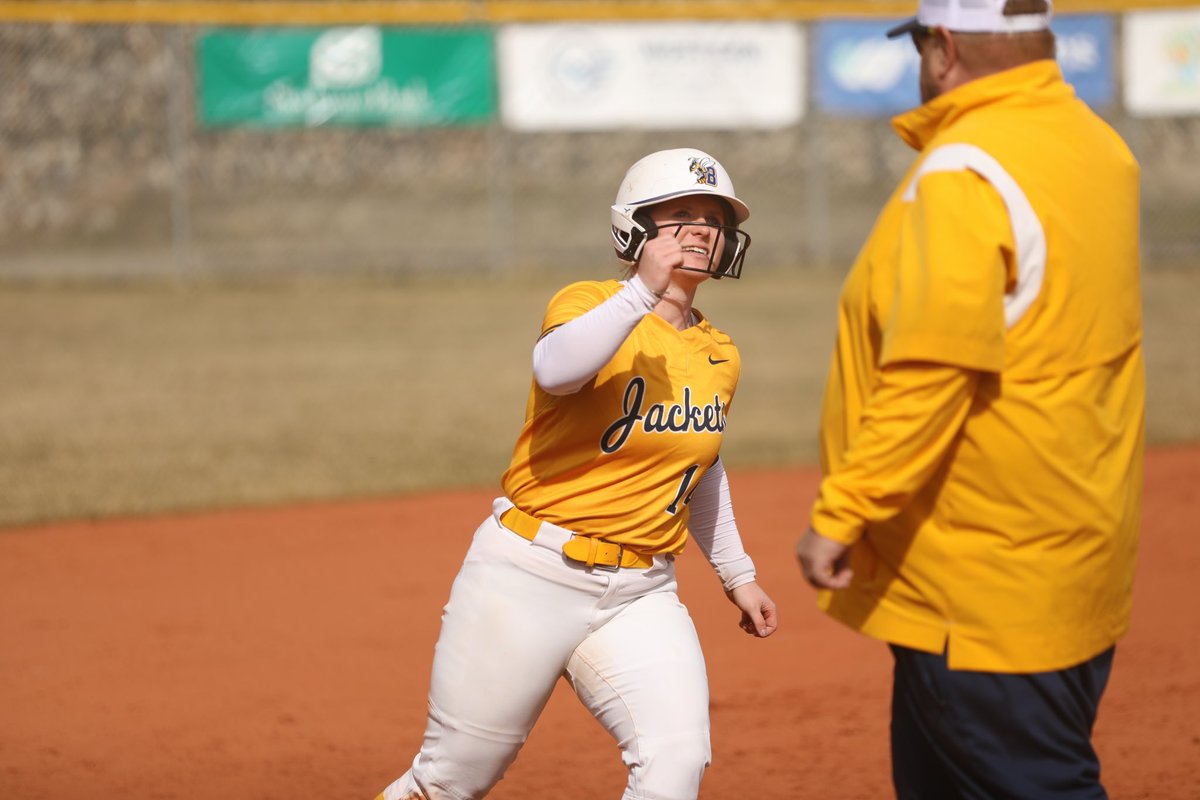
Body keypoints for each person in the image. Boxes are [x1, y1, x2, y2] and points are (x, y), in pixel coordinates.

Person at [794, 0, 1143, 797]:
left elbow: (932, 378)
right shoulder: (1098, 147)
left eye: (920, 43)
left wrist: (844, 510)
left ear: (944, 48)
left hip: (979, 586)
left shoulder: (966, 172)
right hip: (1074, 557)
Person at [376, 148, 778, 800]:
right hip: (527, 575)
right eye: (681, 214)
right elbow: (556, 369)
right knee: (448, 783)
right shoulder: (588, 303)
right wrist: (642, 292)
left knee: (676, 760)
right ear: (636, 230)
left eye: (713, 217)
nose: (703, 228)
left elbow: (701, 466)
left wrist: (738, 574)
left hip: (642, 591)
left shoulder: (718, 351)